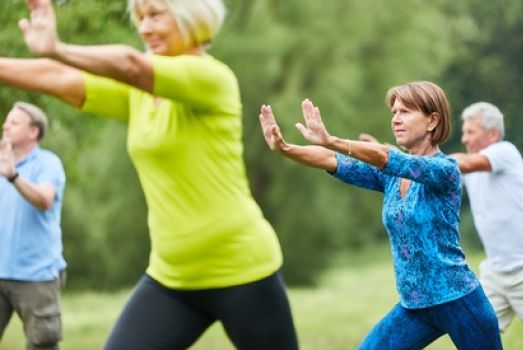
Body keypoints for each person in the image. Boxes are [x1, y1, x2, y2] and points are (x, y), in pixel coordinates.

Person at [0, 0, 299, 349]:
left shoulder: (212, 79)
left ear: (193, 18)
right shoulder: (139, 95)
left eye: (156, 15)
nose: (144, 28)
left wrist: (56, 47)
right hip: (172, 276)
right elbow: (59, 78)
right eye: (141, 18)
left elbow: (130, 65)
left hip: (242, 269)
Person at [259, 81, 503, 349]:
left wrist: (332, 139)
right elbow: (333, 160)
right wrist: (285, 148)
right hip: (414, 307)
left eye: (405, 112)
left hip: (459, 301)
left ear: (433, 120)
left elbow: (388, 157)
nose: (396, 120)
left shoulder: (445, 170)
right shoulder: (390, 177)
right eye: (394, 113)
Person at [452, 101, 523, 336]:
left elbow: (464, 163)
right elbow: (439, 173)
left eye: (470, 132)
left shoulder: (504, 152)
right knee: (478, 333)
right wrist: (392, 157)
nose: (464, 139)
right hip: (495, 273)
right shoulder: (468, 170)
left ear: (492, 134)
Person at [0, 102, 67, 350]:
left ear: (33, 131)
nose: (5, 126)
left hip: (36, 275)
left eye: (14, 123)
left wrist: (12, 176)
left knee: (43, 344)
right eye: (6, 121)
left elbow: (44, 200)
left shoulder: (48, 164)